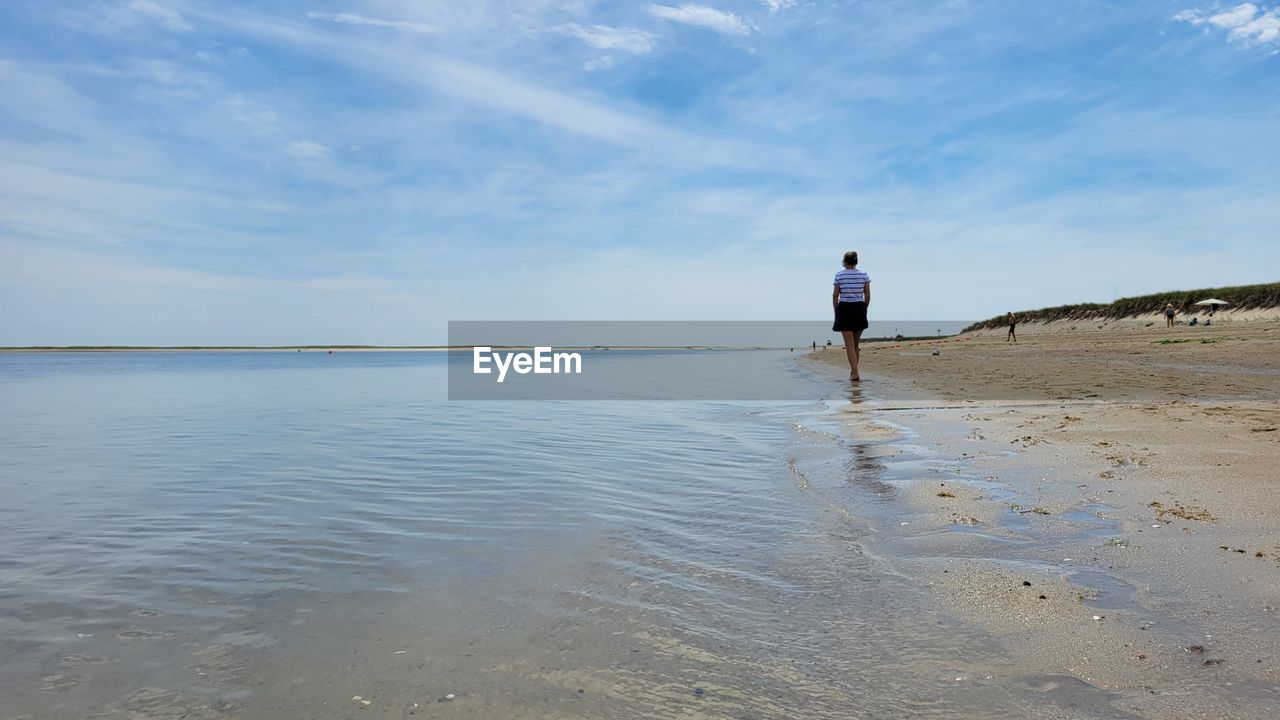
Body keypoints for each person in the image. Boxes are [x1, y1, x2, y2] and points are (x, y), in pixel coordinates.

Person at [831, 250, 871, 381]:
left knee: (849, 345)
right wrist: (864, 308)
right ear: (856, 261)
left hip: (845, 308)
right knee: (855, 345)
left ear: (844, 262)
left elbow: (835, 295)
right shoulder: (864, 275)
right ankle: (853, 372)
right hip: (859, 307)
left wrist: (836, 310)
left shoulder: (839, 275)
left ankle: (855, 373)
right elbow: (868, 296)